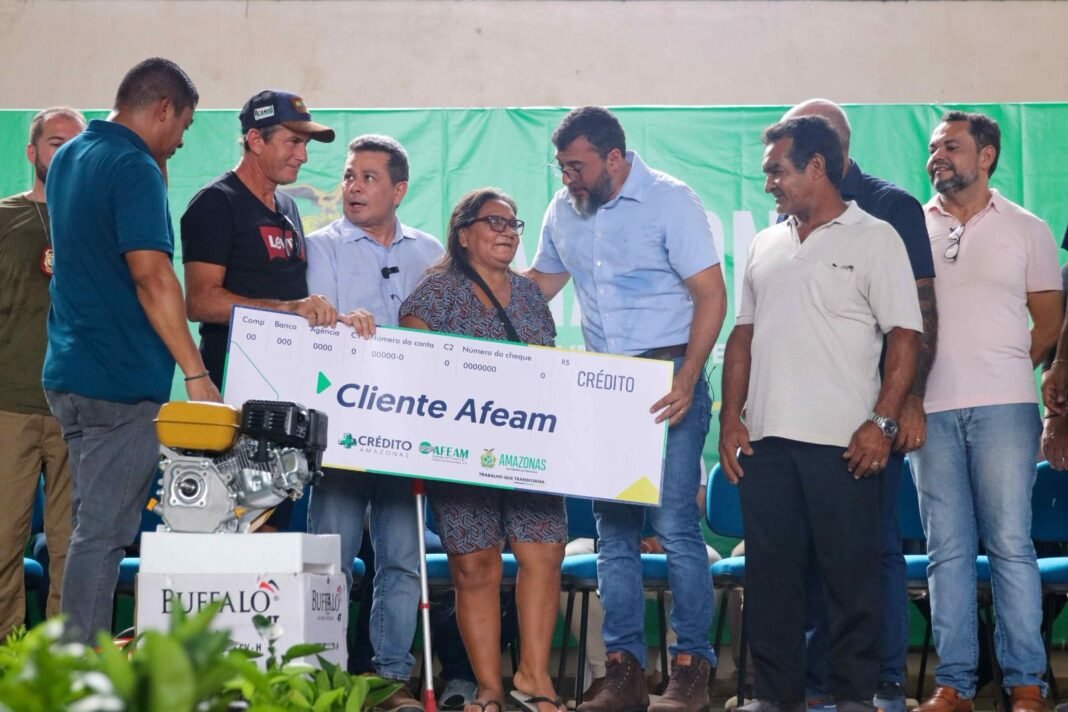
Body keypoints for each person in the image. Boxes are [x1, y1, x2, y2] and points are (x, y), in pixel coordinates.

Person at [718, 116, 922, 712]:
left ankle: (855, 699)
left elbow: (905, 337)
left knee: (851, 583)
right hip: (765, 445)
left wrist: (882, 422)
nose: (768, 184)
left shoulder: (876, 237)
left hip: (844, 445)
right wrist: (731, 420)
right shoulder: (764, 243)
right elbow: (741, 336)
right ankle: (776, 699)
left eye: (776, 171)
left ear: (816, 166)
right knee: (772, 583)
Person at [528, 106, 726, 712]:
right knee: (613, 530)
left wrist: (689, 376)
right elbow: (539, 287)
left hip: (669, 378)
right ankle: (623, 672)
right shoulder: (563, 210)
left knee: (674, 525)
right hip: (605, 385)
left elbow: (711, 294)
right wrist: (467, 290)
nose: (569, 178)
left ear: (614, 157)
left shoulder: (671, 200)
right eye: (562, 168)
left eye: (578, 166)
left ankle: (691, 668)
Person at [43, 58, 221, 644]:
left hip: (70, 372)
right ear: (164, 108)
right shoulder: (132, 165)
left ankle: (73, 660)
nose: (182, 141)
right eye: (184, 126)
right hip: (118, 381)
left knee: (87, 528)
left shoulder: (71, 155)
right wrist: (195, 372)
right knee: (103, 536)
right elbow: (151, 276)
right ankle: (84, 671)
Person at [781, 99, 938, 712]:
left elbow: (918, 313)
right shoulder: (790, 211)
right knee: (816, 550)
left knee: (876, 547)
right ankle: (821, 684)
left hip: (873, 410)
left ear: (828, 152)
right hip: (806, 415)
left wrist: (908, 399)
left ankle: (885, 682)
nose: (780, 176)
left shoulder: (891, 207)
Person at [911, 111, 1062, 712]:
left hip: (1006, 409)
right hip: (929, 412)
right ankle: (954, 685)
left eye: (950, 146)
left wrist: (1005, 368)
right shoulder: (910, 227)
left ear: (987, 155)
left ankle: (1026, 684)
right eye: (933, 147)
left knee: (1010, 545)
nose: (937, 156)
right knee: (945, 549)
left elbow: (1048, 321)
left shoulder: (1028, 228)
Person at [400, 188, 568, 712]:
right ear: (463, 233)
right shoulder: (435, 293)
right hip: (460, 453)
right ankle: (490, 688)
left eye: (513, 224)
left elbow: (548, 366)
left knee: (544, 552)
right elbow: (413, 368)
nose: (507, 231)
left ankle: (534, 679)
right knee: (475, 567)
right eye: (494, 222)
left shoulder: (531, 295)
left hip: (529, 450)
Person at [305, 134, 442, 711]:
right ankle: (325, 679)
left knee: (403, 560)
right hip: (341, 429)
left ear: (399, 189)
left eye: (368, 178)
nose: (353, 188)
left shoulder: (429, 251)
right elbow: (316, 322)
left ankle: (389, 679)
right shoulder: (322, 247)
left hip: (407, 431)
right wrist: (343, 322)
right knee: (330, 561)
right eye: (348, 176)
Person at [181, 89, 340, 390]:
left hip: (288, 378)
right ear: (256, 140)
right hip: (233, 380)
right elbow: (200, 303)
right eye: (293, 142)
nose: (303, 156)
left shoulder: (288, 206)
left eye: (305, 145)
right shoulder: (215, 202)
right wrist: (289, 310)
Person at [0, 107, 85, 637]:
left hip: (80, 408)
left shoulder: (99, 222)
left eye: (77, 144)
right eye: (57, 143)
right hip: (8, 405)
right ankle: (7, 655)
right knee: (3, 540)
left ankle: (64, 659)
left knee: (73, 545)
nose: (68, 152)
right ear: (32, 152)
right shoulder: (5, 217)